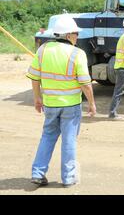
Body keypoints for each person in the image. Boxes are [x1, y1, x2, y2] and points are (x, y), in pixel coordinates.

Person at [27, 15, 97, 188]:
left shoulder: (43, 50)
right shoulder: (77, 53)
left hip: (50, 104)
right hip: (70, 106)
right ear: (67, 35)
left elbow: (34, 77)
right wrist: (92, 103)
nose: (77, 37)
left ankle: (37, 173)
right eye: (75, 34)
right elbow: (85, 84)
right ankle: (69, 178)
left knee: (47, 137)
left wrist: (37, 98)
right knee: (69, 140)